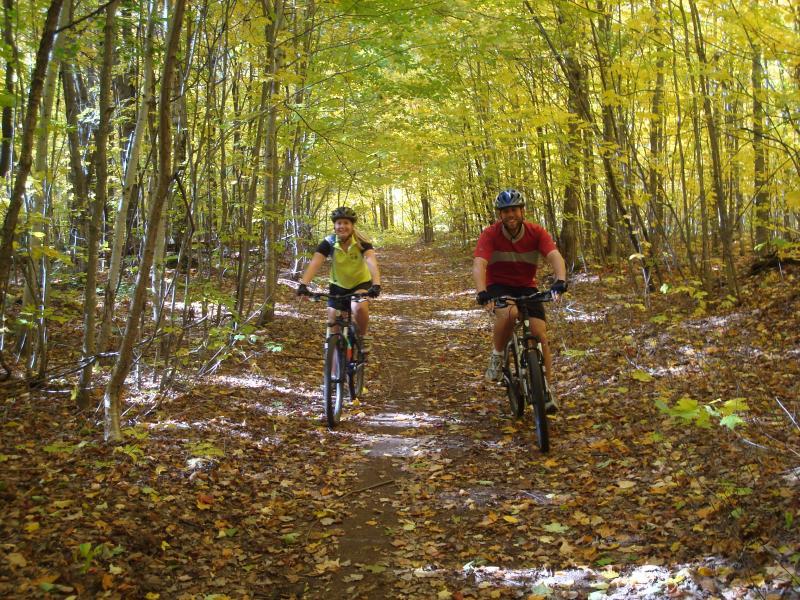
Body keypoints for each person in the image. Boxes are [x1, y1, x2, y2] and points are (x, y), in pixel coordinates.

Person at [473, 189, 567, 413]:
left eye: (514, 210)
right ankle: (497, 355)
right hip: (498, 284)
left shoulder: (536, 232)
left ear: (522, 211)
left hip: (527, 286)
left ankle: (545, 389)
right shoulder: (490, 234)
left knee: (539, 334)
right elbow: (479, 264)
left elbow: (554, 255)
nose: (510, 215)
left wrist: (560, 280)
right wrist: (482, 292)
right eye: (505, 211)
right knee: (509, 313)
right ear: (500, 215)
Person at [297, 207, 381, 351]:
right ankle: (335, 365)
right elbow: (315, 263)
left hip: (360, 283)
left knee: (358, 306)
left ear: (352, 226)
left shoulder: (362, 241)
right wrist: (303, 284)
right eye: (339, 223)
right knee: (333, 321)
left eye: (346, 223)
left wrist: (376, 284)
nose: (342, 226)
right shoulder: (329, 242)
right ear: (335, 226)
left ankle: (363, 337)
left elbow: (371, 261)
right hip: (337, 285)